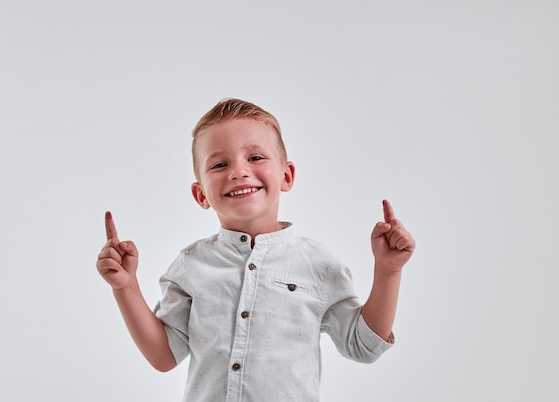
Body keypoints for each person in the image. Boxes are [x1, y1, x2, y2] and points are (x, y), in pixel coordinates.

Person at [96, 98, 415, 401]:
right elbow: (163, 356)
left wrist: (388, 271)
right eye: (219, 164)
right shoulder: (191, 266)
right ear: (201, 195)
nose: (238, 171)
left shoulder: (319, 265)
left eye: (256, 157)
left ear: (286, 175)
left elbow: (363, 346)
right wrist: (126, 287)